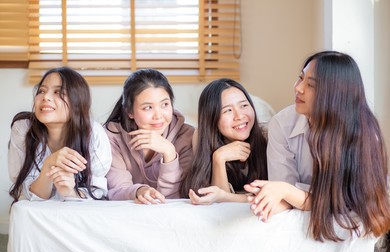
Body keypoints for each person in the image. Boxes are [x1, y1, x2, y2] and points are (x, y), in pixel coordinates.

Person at [245, 50, 390, 241]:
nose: (298, 88)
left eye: (310, 84)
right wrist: (287, 192)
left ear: (334, 95)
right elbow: (285, 197)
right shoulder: (282, 124)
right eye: (301, 78)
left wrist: (289, 192)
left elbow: (353, 200)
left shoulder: (364, 132)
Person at [8, 67, 112, 203]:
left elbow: (97, 194)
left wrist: (70, 192)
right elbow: (27, 195)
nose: (46, 97)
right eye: (42, 91)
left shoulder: (93, 134)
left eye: (58, 92)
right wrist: (48, 165)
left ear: (77, 102)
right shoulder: (23, 129)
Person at [181, 78, 284, 206]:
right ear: (212, 118)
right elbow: (219, 205)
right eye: (228, 110)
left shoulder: (268, 135)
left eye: (244, 105)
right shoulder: (202, 137)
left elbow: (278, 195)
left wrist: (225, 196)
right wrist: (219, 158)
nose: (240, 116)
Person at [104, 68, 194, 204]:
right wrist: (139, 191)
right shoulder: (112, 136)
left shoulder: (187, 136)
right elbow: (116, 191)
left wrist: (169, 153)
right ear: (130, 112)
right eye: (148, 107)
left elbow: (174, 199)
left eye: (164, 104)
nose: (158, 115)